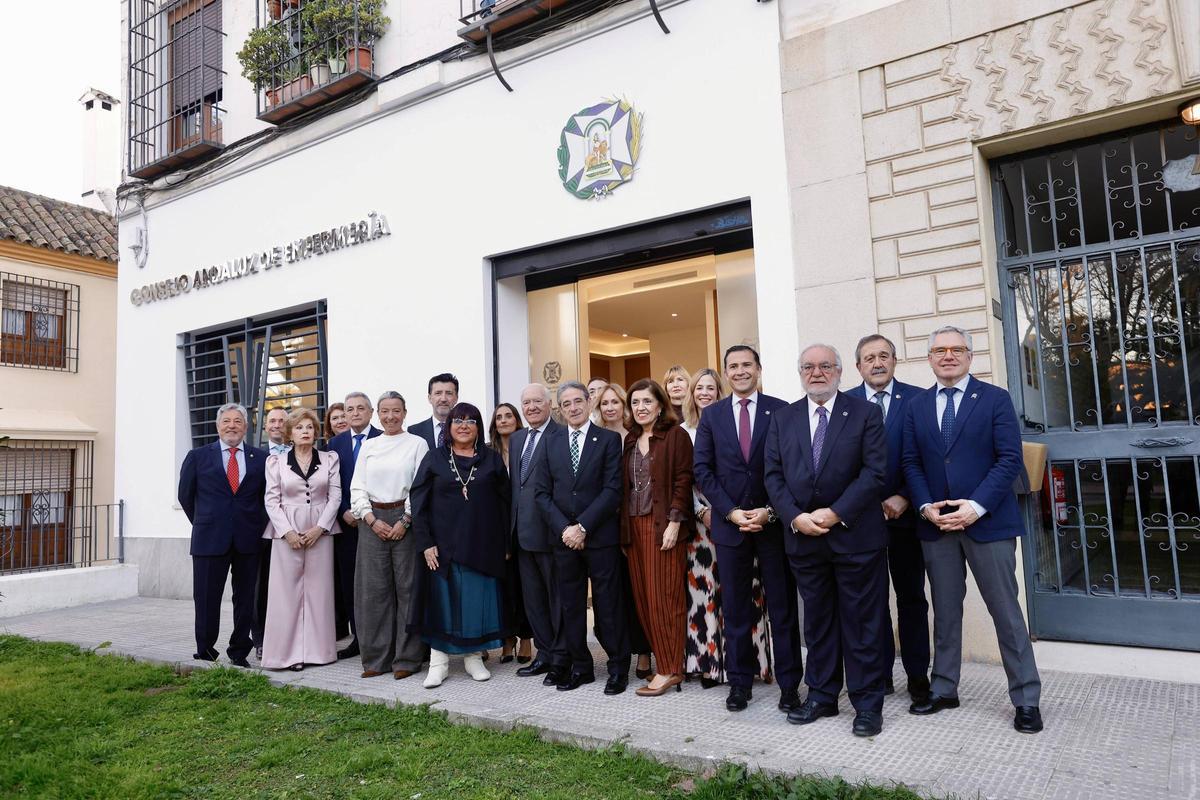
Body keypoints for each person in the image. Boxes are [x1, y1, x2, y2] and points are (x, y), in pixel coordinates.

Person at [901, 325, 1043, 734]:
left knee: (1006, 613)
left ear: (969, 356)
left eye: (956, 349)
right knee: (945, 612)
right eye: (939, 349)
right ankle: (944, 688)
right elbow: (910, 462)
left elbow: (1008, 460)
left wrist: (975, 506)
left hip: (989, 523)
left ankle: (1026, 699)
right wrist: (927, 506)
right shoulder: (917, 405)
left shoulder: (995, 399)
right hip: (937, 525)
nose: (948, 355)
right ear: (929, 358)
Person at [765, 343, 890, 738]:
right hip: (804, 539)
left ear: (840, 371)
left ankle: (867, 704)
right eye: (808, 367)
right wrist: (795, 517)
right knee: (817, 623)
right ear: (799, 372)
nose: (816, 373)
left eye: (824, 366)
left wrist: (835, 513)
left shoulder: (866, 413)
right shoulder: (783, 419)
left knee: (861, 624)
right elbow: (772, 476)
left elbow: (875, 472)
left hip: (855, 537)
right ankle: (821, 696)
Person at [693, 345, 803, 714]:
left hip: (773, 527)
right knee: (736, 609)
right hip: (730, 528)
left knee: (783, 609)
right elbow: (703, 471)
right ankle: (739, 682)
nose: (740, 371)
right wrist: (731, 512)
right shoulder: (712, 416)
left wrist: (771, 511)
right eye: (733, 366)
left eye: (746, 365)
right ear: (726, 373)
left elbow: (792, 468)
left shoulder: (783, 410)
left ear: (759, 368)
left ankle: (790, 686)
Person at [847, 334, 931, 705]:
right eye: (869, 358)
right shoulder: (844, 403)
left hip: (906, 519)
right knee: (871, 601)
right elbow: (838, 464)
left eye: (884, 356)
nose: (877, 363)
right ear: (858, 366)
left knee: (911, 599)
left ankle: (917, 677)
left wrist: (907, 498)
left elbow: (930, 457)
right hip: (861, 521)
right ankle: (878, 675)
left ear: (895, 361)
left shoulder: (919, 399)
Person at [533, 381, 630, 694]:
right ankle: (581, 667)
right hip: (563, 539)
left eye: (578, 401)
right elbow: (542, 493)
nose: (573, 408)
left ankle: (617, 668)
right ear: (560, 408)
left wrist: (583, 526)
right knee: (571, 606)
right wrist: (565, 529)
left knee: (608, 605)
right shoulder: (551, 442)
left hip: (599, 536)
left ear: (590, 402)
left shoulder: (609, 440)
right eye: (566, 403)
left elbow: (612, 490)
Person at [411, 403, 512, 687]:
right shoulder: (433, 459)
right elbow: (418, 504)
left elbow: (505, 505)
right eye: (458, 420)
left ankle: (473, 659)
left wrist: (505, 542)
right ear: (449, 426)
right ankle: (438, 663)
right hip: (442, 546)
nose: (464, 425)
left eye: (471, 420)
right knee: (442, 604)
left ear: (479, 426)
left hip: (482, 545)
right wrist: (426, 543)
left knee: (474, 604)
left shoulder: (491, 460)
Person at [682, 368, 772, 687]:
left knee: (752, 598)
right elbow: (690, 477)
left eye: (710, 387)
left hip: (753, 522)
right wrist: (708, 511)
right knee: (714, 601)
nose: (704, 392)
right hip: (706, 526)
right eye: (699, 387)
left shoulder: (749, 416)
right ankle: (716, 665)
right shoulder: (688, 429)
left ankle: (759, 666)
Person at [177, 403, 268, 667]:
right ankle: (205, 649)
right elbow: (186, 496)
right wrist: (205, 522)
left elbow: (266, 498)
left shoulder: (259, 458)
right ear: (218, 426)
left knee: (245, 599)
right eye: (226, 421)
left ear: (246, 427)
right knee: (206, 597)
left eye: (237, 421)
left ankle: (239, 650)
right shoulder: (197, 456)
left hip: (248, 539)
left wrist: (255, 524)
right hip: (209, 538)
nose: (232, 426)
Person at [621, 379, 694, 697]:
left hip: (663, 525)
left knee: (666, 599)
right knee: (644, 600)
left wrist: (675, 523)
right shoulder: (630, 439)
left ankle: (669, 669)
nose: (640, 408)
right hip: (633, 529)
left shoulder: (675, 436)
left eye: (646, 402)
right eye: (635, 402)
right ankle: (664, 662)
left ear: (660, 404)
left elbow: (683, 480)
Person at [350, 391, 430, 679]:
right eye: (384, 411)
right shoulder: (370, 447)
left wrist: (406, 519)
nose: (390, 417)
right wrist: (370, 519)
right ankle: (375, 658)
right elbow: (357, 487)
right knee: (373, 592)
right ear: (377, 414)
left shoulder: (417, 444)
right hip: (372, 520)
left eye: (396, 411)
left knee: (408, 590)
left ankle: (407, 659)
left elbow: (421, 486)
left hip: (405, 519)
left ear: (405, 413)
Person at [262, 408, 341, 671]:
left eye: (309, 427)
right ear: (290, 433)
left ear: (316, 432)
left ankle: (319, 652)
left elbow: (335, 497)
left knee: (319, 592)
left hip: (321, 530)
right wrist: (288, 532)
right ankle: (286, 655)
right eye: (299, 428)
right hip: (287, 530)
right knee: (285, 594)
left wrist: (320, 528)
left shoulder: (330, 459)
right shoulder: (276, 463)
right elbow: (271, 500)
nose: (305, 432)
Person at [595, 380, 653, 678]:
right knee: (611, 595)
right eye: (604, 403)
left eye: (615, 402)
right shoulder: (596, 438)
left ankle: (644, 651)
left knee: (635, 592)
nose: (609, 407)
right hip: (604, 528)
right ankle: (617, 651)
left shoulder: (635, 437)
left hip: (633, 523)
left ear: (624, 405)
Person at [510, 384, 565, 683]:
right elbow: (516, 488)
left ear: (549, 404)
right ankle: (543, 653)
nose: (531, 407)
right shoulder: (518, 438)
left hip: (550, 533)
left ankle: (561, 656)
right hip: (522, 534)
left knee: (556, 599)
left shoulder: (560, 435)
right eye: (526, 402)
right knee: (533, 600)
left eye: (536, 402)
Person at [326, 391, 382, 660]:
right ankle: (358, 638)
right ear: (345, 414)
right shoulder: (334, 444)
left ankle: (381, 638)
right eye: (350, 409)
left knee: (379, 583)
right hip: (347, 525)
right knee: (350, 583)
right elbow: (328, 484)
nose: (355, 413)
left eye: (361, 408)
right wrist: (342, 511)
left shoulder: (383, 438)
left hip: (378, 522)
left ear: (371, 412)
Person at [489, 402, 532, 664]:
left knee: (526, 586)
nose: (504, 420)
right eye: (499, 417)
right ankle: (507, 640)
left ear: (517, 420)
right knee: (503, 588)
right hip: (496, 528)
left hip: (524, 526)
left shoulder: (527, 446)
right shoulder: (486, 452)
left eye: (509, 416)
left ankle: (526, 638)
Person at [254, 407, 292, 658]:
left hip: (294, 531)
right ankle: (260, 639)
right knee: (262, 587)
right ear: (266, 427)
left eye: (282, 421)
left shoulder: (302, 453)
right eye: (273, 421)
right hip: (264, 532)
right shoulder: (255, 456)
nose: (277, 425)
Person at [410, 373, 460, 451]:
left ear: (456, 398)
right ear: (429, 398)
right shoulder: (414, 432)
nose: (443, 399)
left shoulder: (464, 430)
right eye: (438, 393)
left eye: (449, 393)